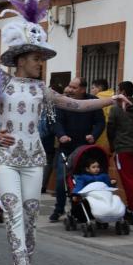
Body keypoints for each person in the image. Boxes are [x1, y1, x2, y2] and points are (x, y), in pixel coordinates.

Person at [0, 0, 131, 265]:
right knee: (11, 208)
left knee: (29, 216)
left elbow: (79, 104)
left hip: (34, 159)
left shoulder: (42, 89)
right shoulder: (0, 85)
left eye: (42, 57)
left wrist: (111, 99)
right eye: (37, 57)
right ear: (21, 58)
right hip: (7, 159)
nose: (41, 63)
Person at [49, 77, 105, 222]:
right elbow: (56, 121)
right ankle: (59, 209)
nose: (70, 90)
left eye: (74, 87)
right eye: (69, 86)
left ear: (82, 89)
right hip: (66, 148)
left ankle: (81, 210)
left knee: (82, 180)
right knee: (62, 179)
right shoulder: (63, 102)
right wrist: (61, 135)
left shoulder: (93, 102)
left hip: (84, 149)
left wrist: (94, 135)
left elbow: (100, 122)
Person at [108, 81, 133, 225]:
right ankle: (132, 209)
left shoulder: (116, 109)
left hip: (124, 149)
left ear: (122, 91)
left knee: (129, 181)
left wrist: (112, 147)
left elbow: (110, 129)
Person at [90, 78, 114, 152]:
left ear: (99, 88)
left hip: (99, 135)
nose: (91, 90)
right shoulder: (114, 98)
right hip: (112, 136)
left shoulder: (96, 100)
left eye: (93, 88)